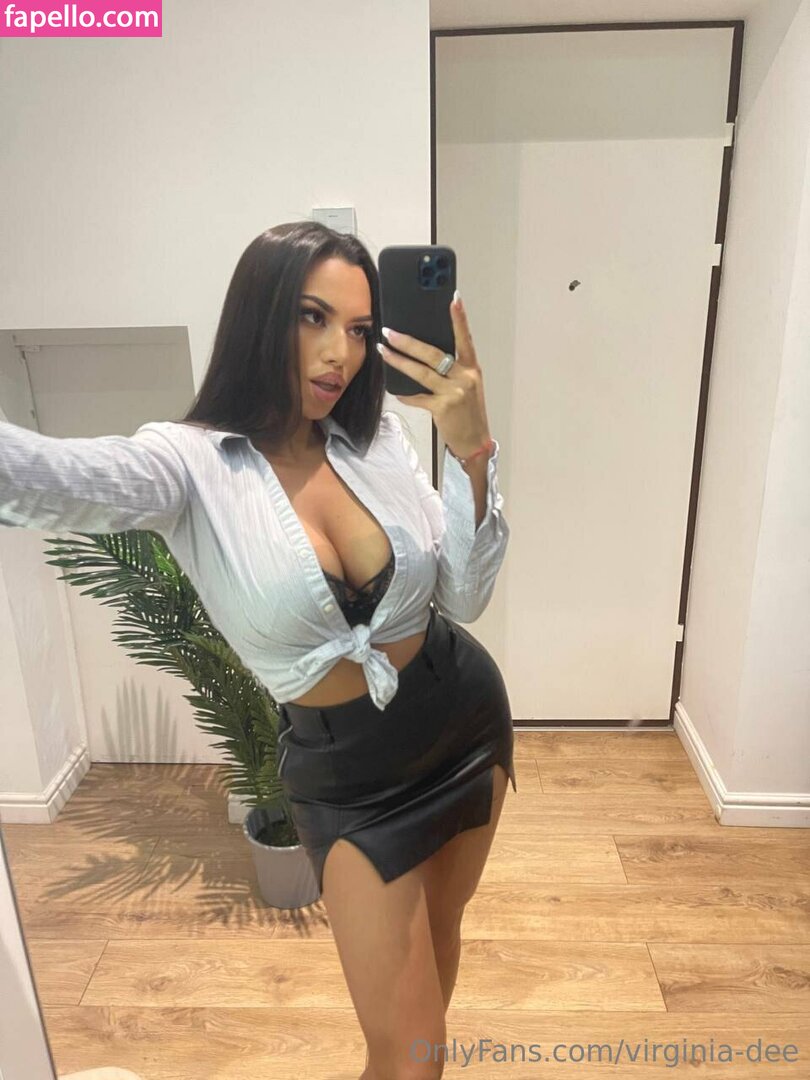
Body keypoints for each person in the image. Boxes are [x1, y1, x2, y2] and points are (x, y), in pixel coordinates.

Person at [0, 220, 515, 1080]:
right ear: (259, 314)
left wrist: (472, 450)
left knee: (436, 964)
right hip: (350, 781)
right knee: (407, 1054)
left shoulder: (375, 438)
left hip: (463, 722)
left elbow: (463, 596)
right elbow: (43, 481)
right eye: (313, 318)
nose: (339, 355)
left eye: (359, 330)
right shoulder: (188, 467)